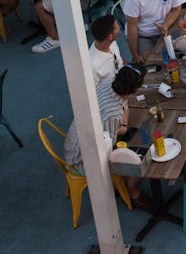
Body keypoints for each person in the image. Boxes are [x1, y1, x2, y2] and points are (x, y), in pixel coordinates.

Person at [61, 66, 149, 208]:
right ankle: (131, 190)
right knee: (141, 154)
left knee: (131, 136)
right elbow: (107, 150)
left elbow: (124, 106)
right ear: (134, 90)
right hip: (82, 160)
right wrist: (123, 128)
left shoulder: (109, 81)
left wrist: (124, 126)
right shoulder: (113, 115)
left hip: (74, 142)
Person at [88, 15, 123, 87]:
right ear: (110, 36)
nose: (119, 28)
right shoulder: (93, 66)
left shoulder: (112, 42)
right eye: (117, 28)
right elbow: (96, 91)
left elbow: (118, 59)